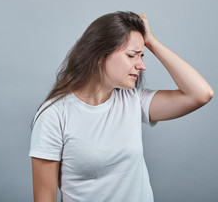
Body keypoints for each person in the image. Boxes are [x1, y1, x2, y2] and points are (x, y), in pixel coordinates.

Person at [28, 11, 214, 202]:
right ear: (99, 54)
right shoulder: (54, 115)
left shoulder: (134, 100)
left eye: (142, 56)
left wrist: (151, 41)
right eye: (132, 55)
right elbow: (44, 198)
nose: (141, 65)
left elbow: (201, 94)